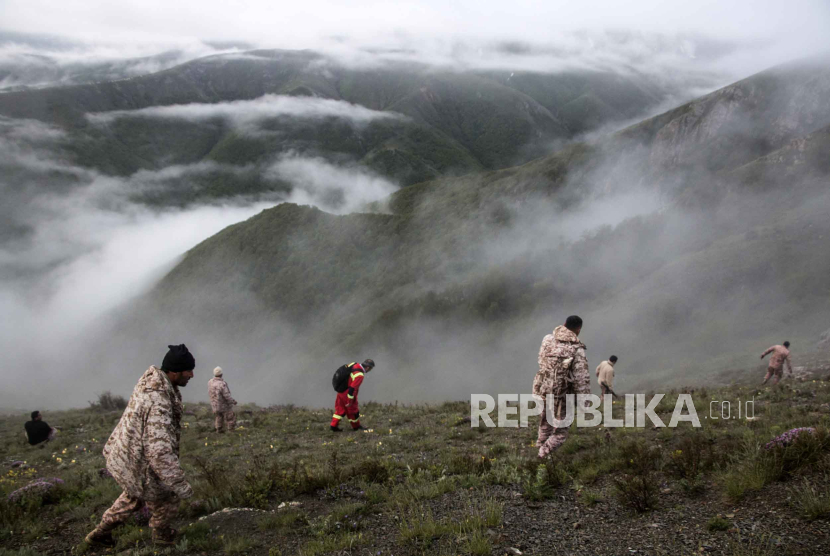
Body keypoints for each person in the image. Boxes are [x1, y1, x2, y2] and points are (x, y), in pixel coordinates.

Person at [85, 344, 196, 547]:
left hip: (128, 456)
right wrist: (180, 485)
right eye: (188, 370)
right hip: (140, 461)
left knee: (133, 496)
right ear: (174, 371)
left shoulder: (151, 383)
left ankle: (100, 533)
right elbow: (159, 452)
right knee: (167, 494)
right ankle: (162, 536)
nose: (192, 375)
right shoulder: (158, 402)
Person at [533, 315, 590, 458]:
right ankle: (542, 456)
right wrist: (585, 402)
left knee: (545, 423)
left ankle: (540, 446)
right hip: (563, 395)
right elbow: (581, 378)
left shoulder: (547, 340)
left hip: (544, 390)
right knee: (561, 432)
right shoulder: (577, 349)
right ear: (578, 330)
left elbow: (541, 361)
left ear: (564, 324)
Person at [330, 359, 375, 432]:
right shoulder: (359, 375)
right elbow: (352, 389)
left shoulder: (354, 364)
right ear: (367, 368)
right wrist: (350, 400)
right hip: (347, 393)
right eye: (371, 369)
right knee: (353, 411)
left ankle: (333, 426)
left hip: (341, 391)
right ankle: (356, 427)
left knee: (340, 409)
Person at [208, 367, 237, 433]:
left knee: (218, 416)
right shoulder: (222, 384)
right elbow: (226, 395)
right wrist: (232, 401)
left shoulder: (210, 382)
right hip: (223, 404)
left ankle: (219, 429)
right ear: (221, 374)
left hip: (214, 404)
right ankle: (231, 430)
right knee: (230, 417)